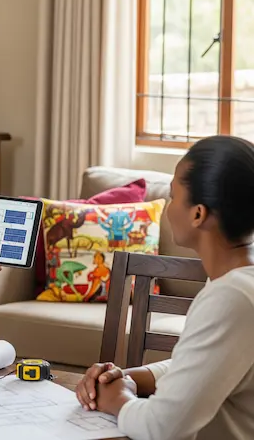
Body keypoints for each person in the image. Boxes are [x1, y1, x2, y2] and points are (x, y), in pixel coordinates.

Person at [75, 135, 254, 440]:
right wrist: (131, 378)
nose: (168, 208)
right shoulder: (236, 279)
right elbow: (207, 365)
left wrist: (116, 401)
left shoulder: (232, 298)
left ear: (198, 214)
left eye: (173, 196)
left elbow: (161, 427)